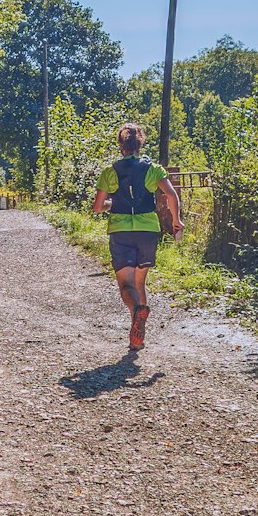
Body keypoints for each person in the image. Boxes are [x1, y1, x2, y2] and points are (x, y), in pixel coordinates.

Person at [90, 122, 183, 351]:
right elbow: (171, 195)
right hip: (148, 231)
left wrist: (114, 203)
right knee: (140, 281)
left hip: (121, 231)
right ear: (140, 144)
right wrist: (176, 220)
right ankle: (137, 338)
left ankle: (136, 314)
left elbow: (98, 207)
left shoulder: (110, 172)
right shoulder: (153, 169)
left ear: (120, 146)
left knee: (125, 284)